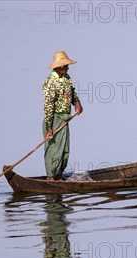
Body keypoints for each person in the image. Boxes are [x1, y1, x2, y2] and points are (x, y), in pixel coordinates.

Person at [42, 51, 83, 180]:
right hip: (54, 119)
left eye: (67, 65)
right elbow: (48, 107)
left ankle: (59, 176)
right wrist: (49, 128)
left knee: (64, 150)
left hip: (65, 118)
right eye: (65, 66)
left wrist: (77, 103)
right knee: (54, 151)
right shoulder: (51, 83)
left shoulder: (67, 78)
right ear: (58, 67)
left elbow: (72, 93)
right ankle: (51, 177)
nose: (67, 68)